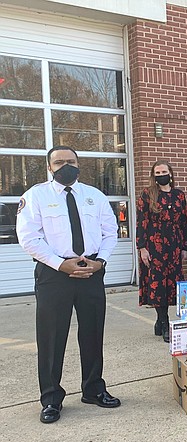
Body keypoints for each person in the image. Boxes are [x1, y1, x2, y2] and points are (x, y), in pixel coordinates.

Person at [16, 145, 120, 424]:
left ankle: (94, 389)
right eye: (59, 162)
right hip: (54, 274)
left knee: (92, 332)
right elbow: (28, 237)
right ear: (49, 167)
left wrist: (101, 262)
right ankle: (51, 399)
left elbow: (111, 232)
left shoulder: (94, 196)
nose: (66, 166)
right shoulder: (36, 196)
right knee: (52, 338)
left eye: (70, 161)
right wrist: (60, 263)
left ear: (79, 164)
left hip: (92, 271)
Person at [137, 161, 187, 342]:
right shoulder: (147, 194)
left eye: (164, 171)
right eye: (158, 172)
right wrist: (142, 247)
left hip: (174, 243)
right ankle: (163, 320)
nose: (161, 174)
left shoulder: (179, 195)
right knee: (158, 283)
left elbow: (184, 221)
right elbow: (141, 222)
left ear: (171, 173)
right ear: (154, 175)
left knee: (173, 283)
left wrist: (185, 245)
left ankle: (161, 321)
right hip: (155, 244)